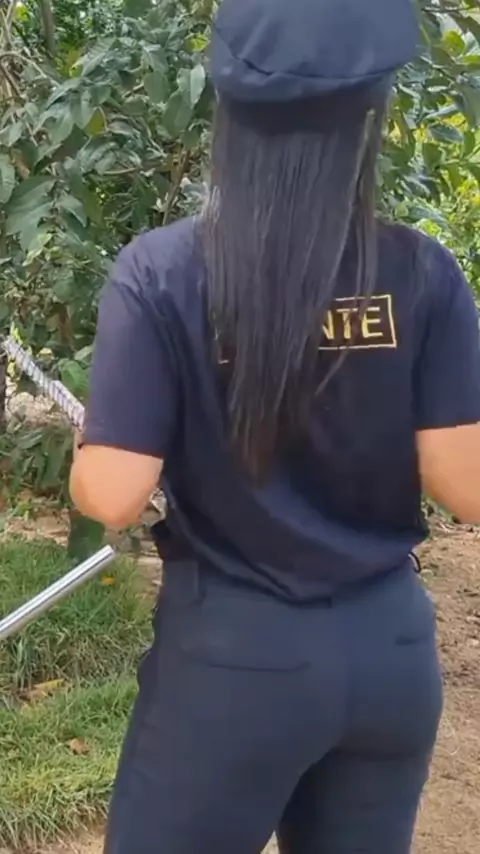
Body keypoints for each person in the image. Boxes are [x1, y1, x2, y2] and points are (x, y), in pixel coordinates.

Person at [69, 1, 480, 852]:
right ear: (370, 119)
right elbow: (466, 487)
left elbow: (112, 495)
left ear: (227, 112)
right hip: (390, 652)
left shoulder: (163, 272)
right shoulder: (425, 273)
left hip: (234, 662)